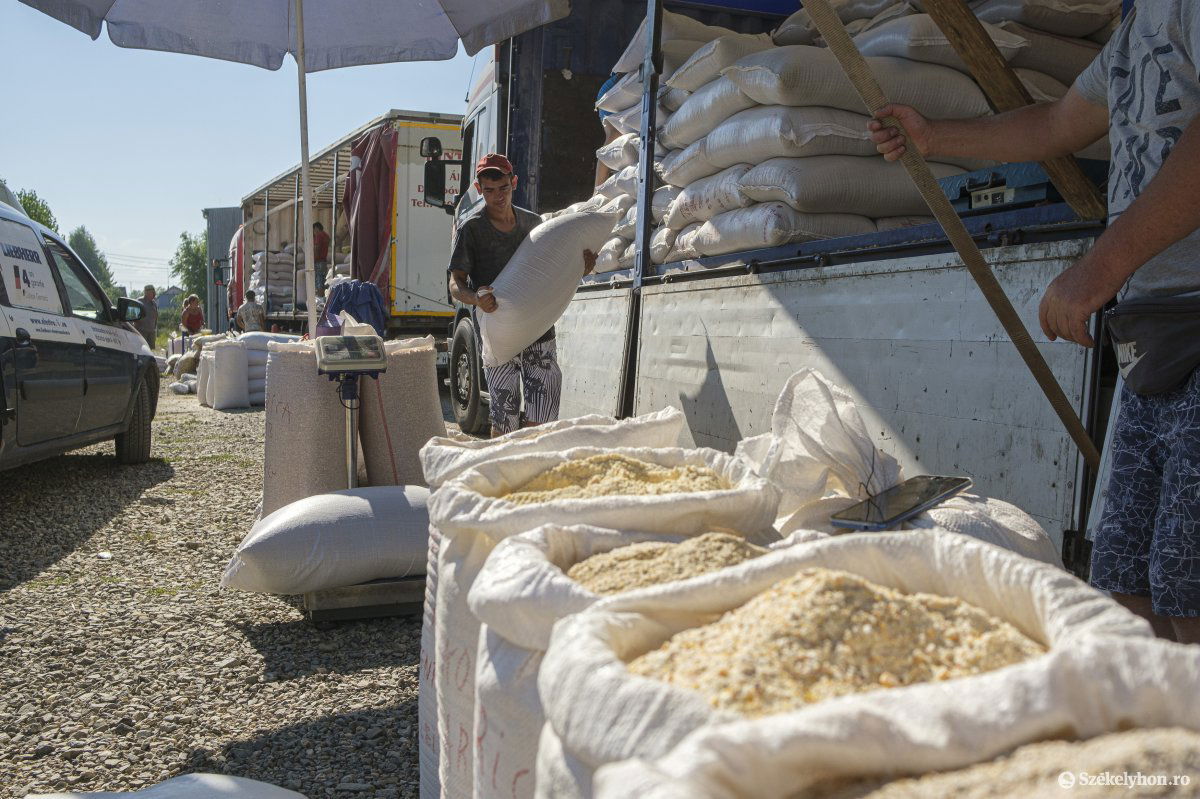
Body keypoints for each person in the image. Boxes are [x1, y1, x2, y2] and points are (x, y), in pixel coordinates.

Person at [869, 3, 1199, 644]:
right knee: (1124, 589)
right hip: (1149, 336)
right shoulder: (1136, 29)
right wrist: (935, 138)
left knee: (1191, 599)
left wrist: (1099, 267)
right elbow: (1055, 123)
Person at [448, 153, 596, 436]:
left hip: (539, 334)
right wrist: (476, 299)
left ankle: (534, 476)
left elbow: (551, 272)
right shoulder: (472, 229)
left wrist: (581, 267)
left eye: (503, 188)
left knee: (541, 425)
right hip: (500, 336)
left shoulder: (534, 224)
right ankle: (503, 477)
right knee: (504, 422)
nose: (497, 197)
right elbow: (455, 283)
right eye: (489, 191)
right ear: (479, 190)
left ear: (513, 183)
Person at [133, 284, 158, 350]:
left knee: (150, 350)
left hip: (151, 331)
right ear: (146, 292)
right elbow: (134, 316)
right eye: (151, 292)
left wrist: (154, 329)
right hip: (141, 331)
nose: (153, 294)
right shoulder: (139, 301)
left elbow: (155, 316)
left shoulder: (154, 303)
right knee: (142, 349)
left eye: (153, 292)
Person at [312, 221, 331, 290]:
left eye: (313, 230)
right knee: (323, 280)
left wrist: (314, 259)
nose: (313, 232)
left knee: (319, 281)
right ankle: (323, 298)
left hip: (318, 261)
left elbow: (317, 247)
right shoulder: (326, 235)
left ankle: (320, 297)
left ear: (316, 228)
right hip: (324, 261)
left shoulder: (319, 235)